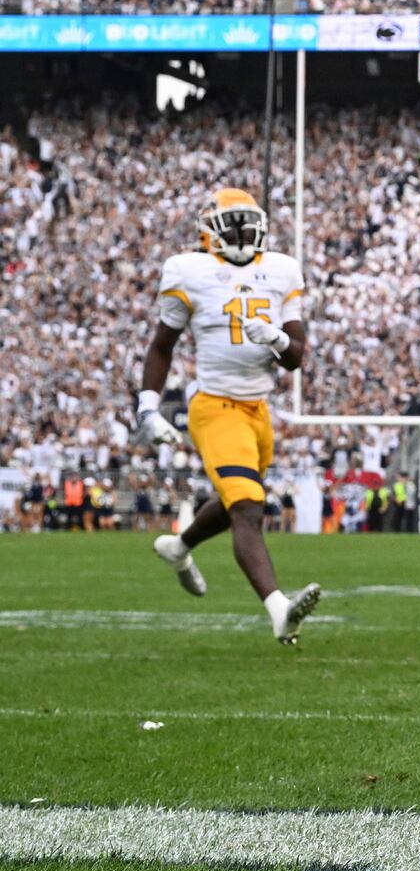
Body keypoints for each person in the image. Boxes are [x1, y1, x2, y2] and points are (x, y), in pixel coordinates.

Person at [136, 187, 321, 646]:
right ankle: (279, 610)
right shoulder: (189, 271)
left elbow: (297, 357)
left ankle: (178, 547)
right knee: (246, 505)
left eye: (246, 224)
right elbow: (163, 345)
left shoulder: (281, 270)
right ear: (209, 233)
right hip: (215, 407)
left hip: (258, 412)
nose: (241, 233)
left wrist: (276, 339)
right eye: (231, 225)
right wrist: (147, 406)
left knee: (237, 499)